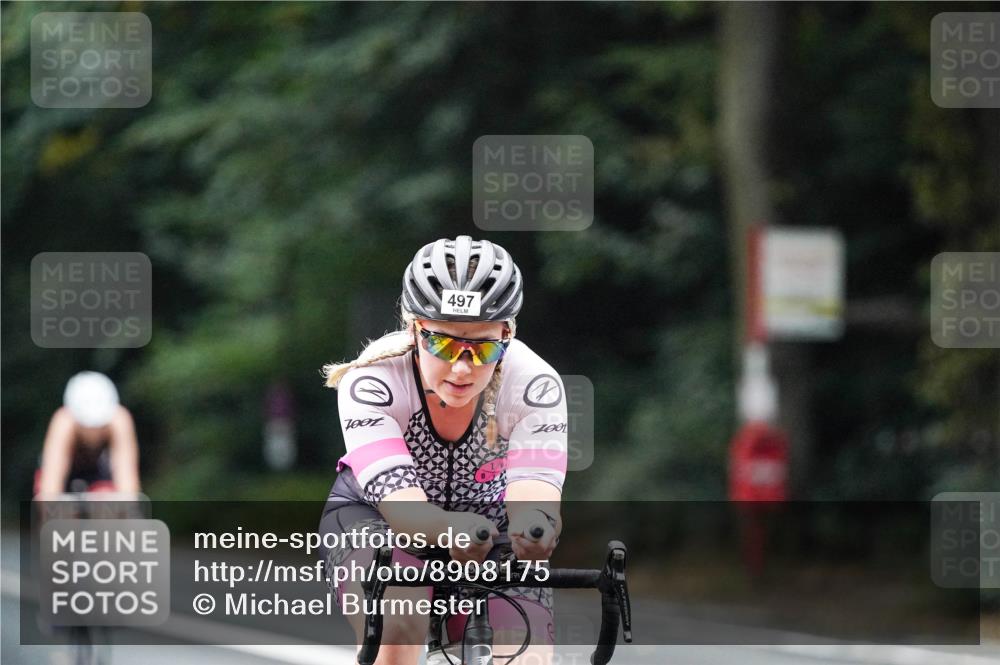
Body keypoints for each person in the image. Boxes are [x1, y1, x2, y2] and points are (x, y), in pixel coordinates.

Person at [319, 236, 567, 665]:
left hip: (488, 525)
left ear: (507, 333)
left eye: (483, 346)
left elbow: (535, 495)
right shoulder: (373, 381)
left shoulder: (534, 386)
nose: (462, 367)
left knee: (527, 655)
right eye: (444, 343)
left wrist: (534, 525)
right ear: (414, 329)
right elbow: (407, 515)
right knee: (398, 633)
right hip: (376, 517)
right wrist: (449, 527)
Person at [35, 371, 141, 497]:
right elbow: (50, 485)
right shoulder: (63, 423)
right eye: (87, 425)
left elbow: (128, 482)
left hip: (102, 481)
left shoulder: (120, 421)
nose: (93, 432)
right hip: (68, 479)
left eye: (99, 425)